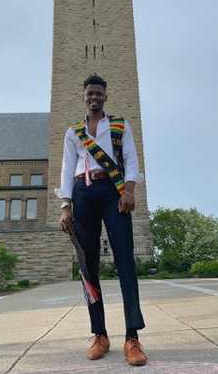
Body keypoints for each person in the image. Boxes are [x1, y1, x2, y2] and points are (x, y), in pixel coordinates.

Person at [58, 74, 148, 366]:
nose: (94, 97)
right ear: (83, 96)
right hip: (82, 194)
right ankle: (100, 334)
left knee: (125, 262)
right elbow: (67, 168)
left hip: (113, 193)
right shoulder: (73, 132)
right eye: (90, 93)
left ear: (105, 97)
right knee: (88, 265)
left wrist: (129, 190)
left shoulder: (120, 125)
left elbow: (132, 160)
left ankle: (132, 337)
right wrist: (65, 205)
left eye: (99, 93)